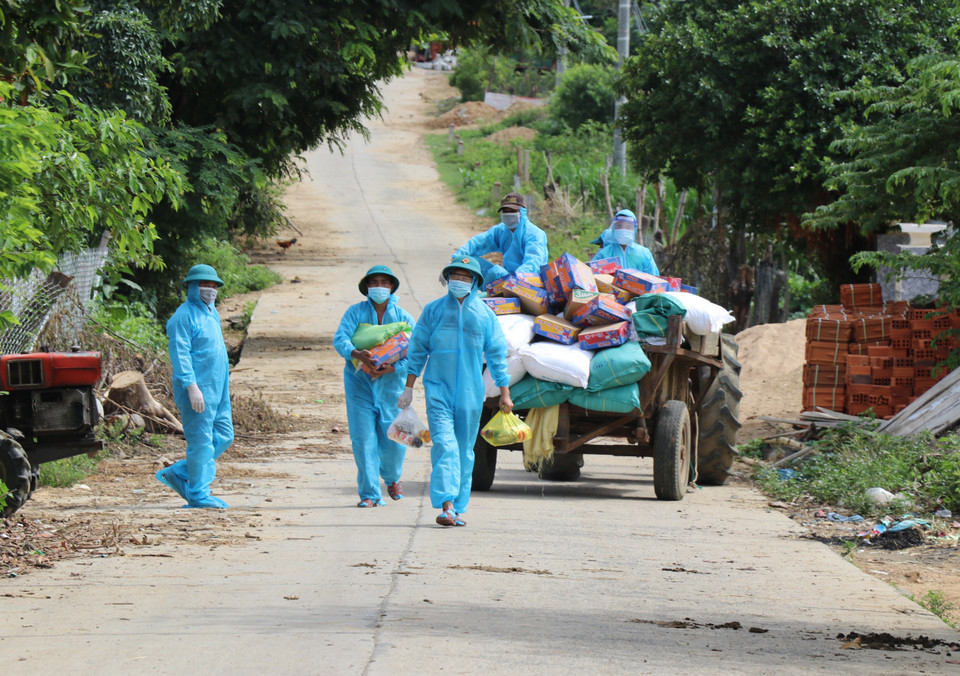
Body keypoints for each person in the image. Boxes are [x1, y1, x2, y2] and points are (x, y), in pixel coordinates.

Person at [400, 256, 512, 527]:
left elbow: (497, 354)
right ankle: (446, 504)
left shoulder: (485, 315)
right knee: (445, 445)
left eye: (465, 276)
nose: (459, 281)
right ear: (447, 279)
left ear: (474, 282)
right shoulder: (433, 311)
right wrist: (408, 387)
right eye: (455, 276)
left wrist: (505, 392)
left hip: (470, 392)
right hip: (438, 389)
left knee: (464, 450)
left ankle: (458, 507)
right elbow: (418, 349)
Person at [333, 265, 416, 508]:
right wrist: (356, 353)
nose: (379, 287)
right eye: (374, 283)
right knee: (363, 439)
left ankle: (392, 477)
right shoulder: (354, 313)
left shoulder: (404, 318)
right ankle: (369, 493)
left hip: (392, 388)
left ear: (391, 287)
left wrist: (393, 369)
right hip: (359, 385)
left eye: (384, 282)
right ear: (366, 287)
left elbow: (416, 353)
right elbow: (340, 339)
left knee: (395, 440)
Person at [156, 264, 234, 509]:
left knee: (224, 435)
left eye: (213, 285)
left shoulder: (211, 312)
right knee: (200, 442)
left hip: (218, 387)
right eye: (204, 285)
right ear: (191, 287)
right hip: (197, 389)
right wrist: (191, 386)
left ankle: (180, 471)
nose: (210, 290)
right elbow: (180, 354)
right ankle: (198, 493)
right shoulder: (183, 317)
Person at [452, 192, 549, 286]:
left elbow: (533, 263)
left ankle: (497, 290)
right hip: (507, 279)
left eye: (512, 211)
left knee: (496, 272)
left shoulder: (534, 234)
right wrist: (456, 260)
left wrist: (515, 279)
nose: (509, 214)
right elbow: (478, 242)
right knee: (468, 262)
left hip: (530, 283)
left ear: (522, 211)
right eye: (505, 211)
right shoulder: (501, 230)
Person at [591, 209, 660, 276]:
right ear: (614, 228)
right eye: (619, 226)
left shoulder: (644, 253)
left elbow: (654, 278)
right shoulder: (604, 254)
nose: (623, 229)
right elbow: (591, 275)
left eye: (628, 226)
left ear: (634, 229)